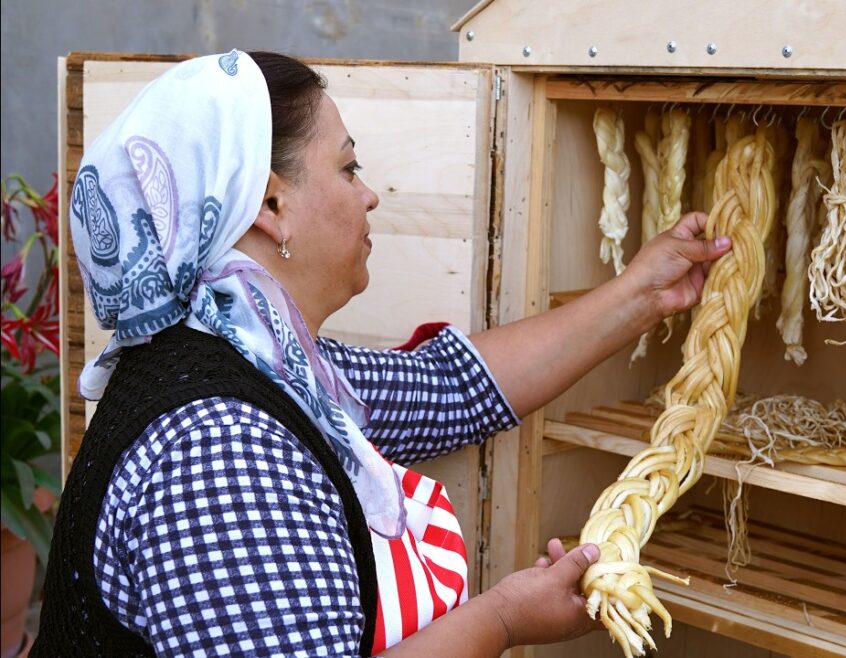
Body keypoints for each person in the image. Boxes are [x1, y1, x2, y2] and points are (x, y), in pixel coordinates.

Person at [32, 50, 731, 657]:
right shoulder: (220, 449)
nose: (370, 195)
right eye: (348, 167)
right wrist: (501, 619)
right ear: (270, 204)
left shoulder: (260, 356)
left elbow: (451, 389)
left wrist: (645, 292)